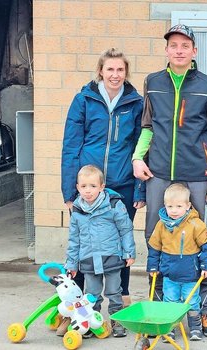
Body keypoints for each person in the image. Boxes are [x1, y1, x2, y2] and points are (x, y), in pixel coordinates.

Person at [132, 24, 207, 337]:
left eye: (185, 45)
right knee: (155, 236)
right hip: (159, 172)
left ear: (194, 52)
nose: (179, 50)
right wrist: (137, 158)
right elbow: (147, 126)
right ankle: (159, 306)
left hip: (198, 174)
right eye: (173, 45)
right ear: (167, 50)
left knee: (204, 237)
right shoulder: (153, 82)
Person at [60, 47, 145, 335]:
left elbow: (139, 148)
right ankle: (78, 310)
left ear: (126, 73)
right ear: (100, 71)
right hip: (88, 187)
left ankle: (120, 307)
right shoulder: (84, 100)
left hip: (120, 186)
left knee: (119, 248)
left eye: (120, 70)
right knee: (85, 248)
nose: (115, 74)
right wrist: (70, 192)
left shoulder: (135, 103)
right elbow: (71, 146)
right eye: (110, 69)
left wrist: (139, 189)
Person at [64, 165, 137, 338]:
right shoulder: (77, 211)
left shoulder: (113, 205)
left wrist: (129, 252)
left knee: (114, 291)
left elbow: (125, 229)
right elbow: (74, 240)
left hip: (111, 256)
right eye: (83, 187)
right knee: (91, 295)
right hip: (88, 260)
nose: (88, 191)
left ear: (102, 187)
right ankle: (91, 322)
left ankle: (117, 321)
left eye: (93, 186)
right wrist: (72, 263)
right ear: (77, 187)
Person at [147, 183, 207, 341]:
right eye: (170, 206)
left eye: (179, 206)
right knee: (169, 301)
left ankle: (195, 327)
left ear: (188, 206)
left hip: (190, 274)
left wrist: (206, 265)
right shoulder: (161, 225)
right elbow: (154, 247)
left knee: (191, 302)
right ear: (165, 205)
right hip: (169, 274)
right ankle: (169, 328)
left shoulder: (195, 224)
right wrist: (152, 265)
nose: (174, 210)